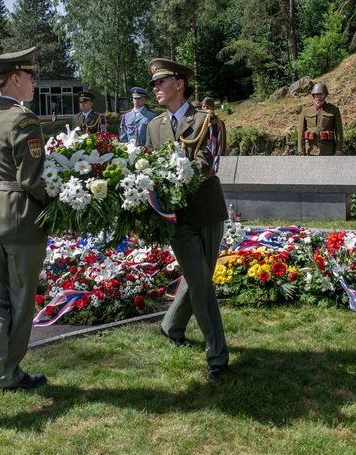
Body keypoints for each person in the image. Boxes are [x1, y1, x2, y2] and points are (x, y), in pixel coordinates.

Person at [0, 47, 49, 416]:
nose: (34, 81)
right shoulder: (25, 120)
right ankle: (9, 372)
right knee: (20, 301)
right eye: (31, 75)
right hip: (19, 217)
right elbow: (31, 178)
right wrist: (59, 201)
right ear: (15, 78)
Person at [145, 58, 230, 381]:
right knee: (200, 283)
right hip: (175, 218)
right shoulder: (154, 126)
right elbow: (146, 166)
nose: (155, 89)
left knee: (199, 278)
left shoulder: (206, 120)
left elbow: (206, 162)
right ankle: (217, 355)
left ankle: (171, 326)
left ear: (178, 84)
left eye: (160, 83)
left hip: (205, 211)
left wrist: (174, 177)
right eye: (153, 84)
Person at [297, 83, 343, 156]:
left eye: (321, 94)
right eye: (316, 94)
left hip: (328, 149)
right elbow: (301, 132)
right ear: (313, 95)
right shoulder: (306, 111)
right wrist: (300, 150)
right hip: (310, 149)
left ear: (325, 95)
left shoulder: (333, 110)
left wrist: (338, 150)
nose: (318, 96)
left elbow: (339, 132)